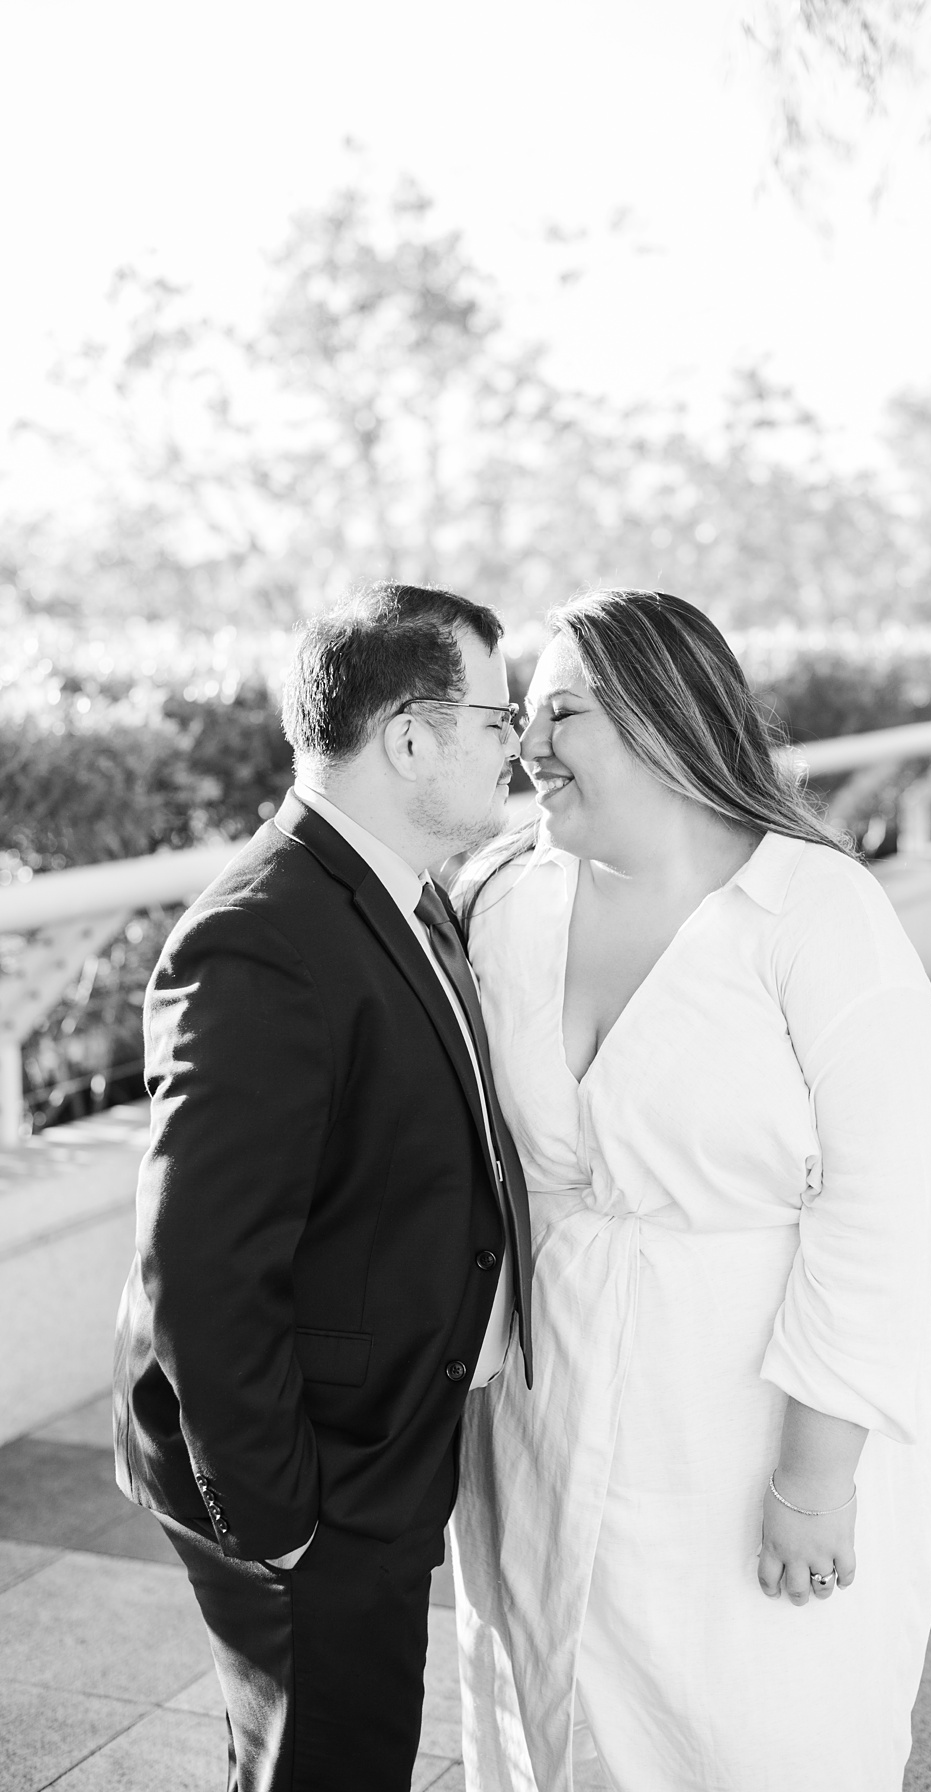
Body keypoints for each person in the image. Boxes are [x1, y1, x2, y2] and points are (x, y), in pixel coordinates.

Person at [447, 589, 931, 1790]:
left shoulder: (818, 913)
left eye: (561, 712)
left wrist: (813, 1482)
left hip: (746, 1414)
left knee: (754, 1731)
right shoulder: (506, 901)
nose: (527, 747)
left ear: (664, 721)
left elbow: (880, 1216)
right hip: (542, 1399)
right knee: (551, 1721)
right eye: (524, 715)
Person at [113, 584, 534, 1790]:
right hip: (310, 1479)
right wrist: (280, 1520)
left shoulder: (409, 892)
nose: (517, 748)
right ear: (410, 736)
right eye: (497, 719)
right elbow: (200, 1263)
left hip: (376, 1446)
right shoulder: (264, 933)